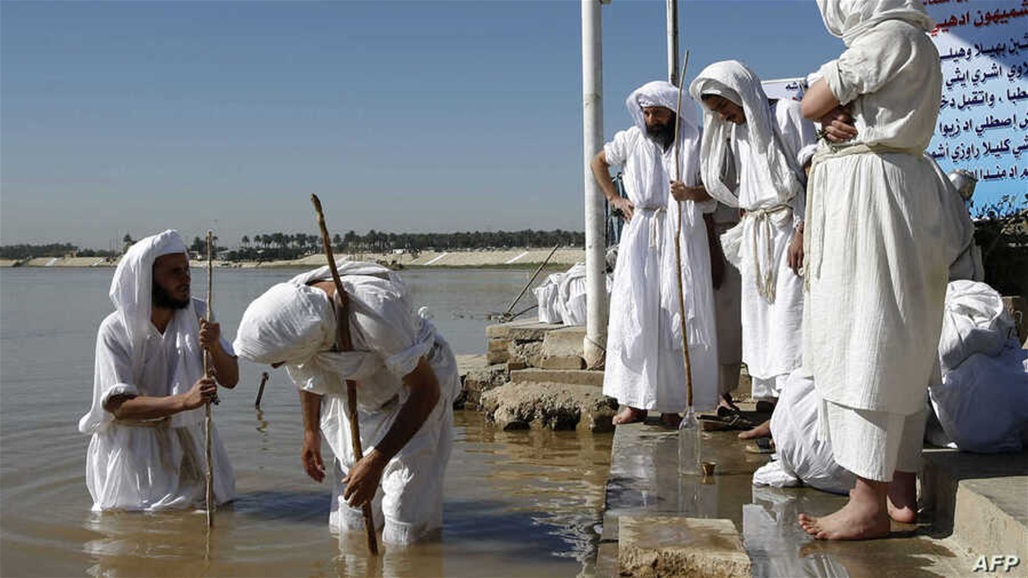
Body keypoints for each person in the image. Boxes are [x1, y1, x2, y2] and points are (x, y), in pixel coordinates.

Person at [797, 0, 958, 540]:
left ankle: (866, 500)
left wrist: (825, 111)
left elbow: (810, 103)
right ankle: (899, 493)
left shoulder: (886, 37)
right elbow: (833, 111)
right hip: (900, 194)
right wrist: (836, 117)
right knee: (900, 340)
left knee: (866, 339)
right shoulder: (916, 42)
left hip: (872, 201)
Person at [232, 261, 459, 545]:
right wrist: (311, 433)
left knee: (404, 523)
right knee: (351, 524)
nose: (276, 367)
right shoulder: (296, 311)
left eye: (279, 359)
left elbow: (426, 392)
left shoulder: (375, 313)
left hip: (412, 398)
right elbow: (308, 374)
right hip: (356, 400)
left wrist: (376, 461)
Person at [689, 60, 817, 439]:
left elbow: (809, 173)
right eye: (716, 113)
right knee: (763, 326)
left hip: (787, 231)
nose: (724, 117)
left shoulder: (789, 113)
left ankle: (797, 417)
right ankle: (778, 416)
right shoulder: (738, 133)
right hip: (758, 237)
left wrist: (803, 229)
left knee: (791, 322)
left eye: (725, 107)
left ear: (738, 93)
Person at [78, 230, 238, 512]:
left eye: (187, 270)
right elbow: (119, 406)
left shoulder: (199, 313)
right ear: (146, 280)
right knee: (139, 530)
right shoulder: (115, 330)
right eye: (175, 272)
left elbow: (231, 379)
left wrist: (213, 347)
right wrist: (183, 401)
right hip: (135, 451)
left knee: (208, 510)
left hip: (191, 442)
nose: (186, 278)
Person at [590, 80, 720, 427]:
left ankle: (673, 404)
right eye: (647, 114)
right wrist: (614, 199)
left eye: (658, 113)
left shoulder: (696, 140)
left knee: (676, 314)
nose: (652, 120)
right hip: (642, 233)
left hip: (681, 235)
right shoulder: (632, 139)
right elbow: (598, 162)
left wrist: (690, 192)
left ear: (673, 113)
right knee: (638, 314)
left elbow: (716, 188)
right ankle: (634, 402)